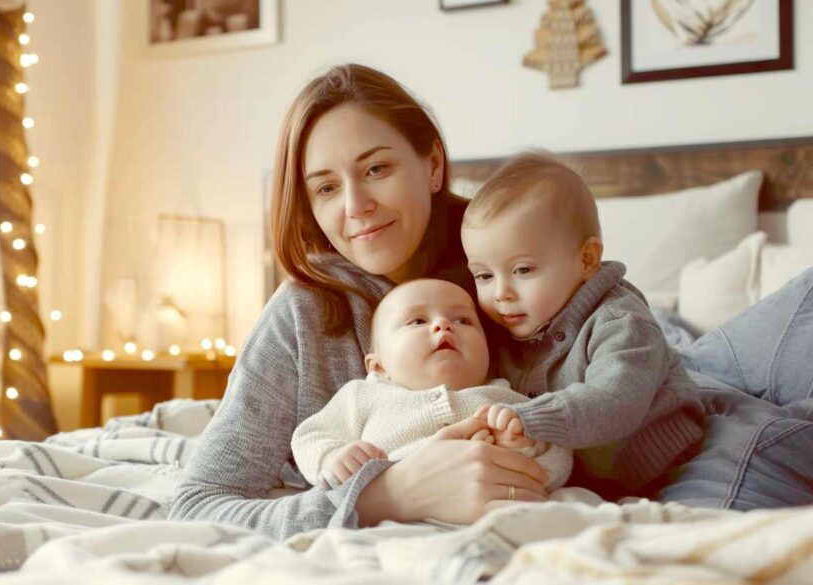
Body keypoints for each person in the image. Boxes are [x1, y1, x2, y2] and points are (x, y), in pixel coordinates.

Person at [169, 63, 813, 540]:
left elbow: (615, 319)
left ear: (432, 165)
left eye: (375, 169)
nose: (355, 206)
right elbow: (198, 504)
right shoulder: (306, 319)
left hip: (671, 383)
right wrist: (383, 494)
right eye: (325, 187)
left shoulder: (501, 249)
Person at [460, 152, 705, 497]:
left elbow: (616, 400)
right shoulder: (503, 328)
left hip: (661, 461)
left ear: (586, 259)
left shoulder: (621, 322)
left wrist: (532, 418)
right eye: (484, 275)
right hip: (583, 477)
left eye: (523, 270)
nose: (501, 293)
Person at [291, 278, 572, 493]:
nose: (443, 326)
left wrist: (527, 449)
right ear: (378, 366)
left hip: (494, 511)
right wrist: (333, 458)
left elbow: (559, 456)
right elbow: (309, 436)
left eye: (463, 320)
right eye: (418, 321)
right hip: (397, 515)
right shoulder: (363, 396)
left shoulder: (505, 400)